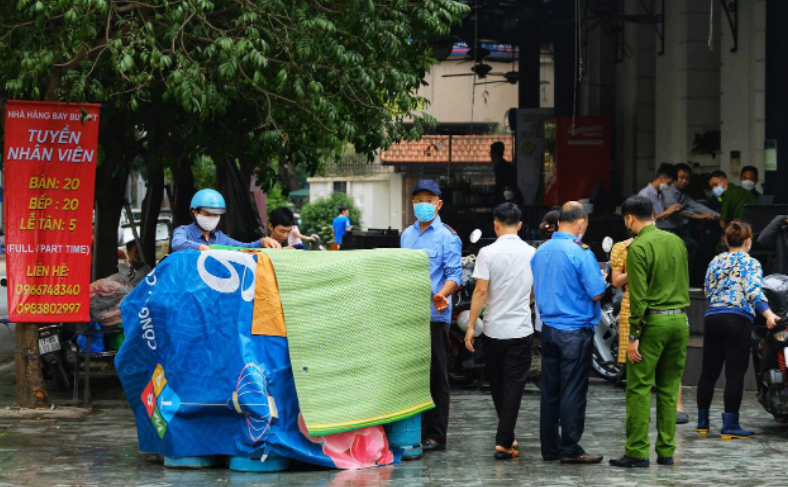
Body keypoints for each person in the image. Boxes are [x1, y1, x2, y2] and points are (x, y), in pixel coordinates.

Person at [610, 195, 689, 468]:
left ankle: (637, 452)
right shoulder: (677, 242)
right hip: (680, 322)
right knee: (669, 389)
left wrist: (634, 336)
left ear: (630, 218)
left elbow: (639, 298)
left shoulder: (638, 247)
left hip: (653, 324)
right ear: (654, 213)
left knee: (640, 388)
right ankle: (666, 451)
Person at [531, 202, 606, 464]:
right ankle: (570, 448)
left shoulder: (541, 251)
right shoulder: (580, 252)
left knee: (550, 391)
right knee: (573, 390)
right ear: (581, 222)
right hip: (574, 331)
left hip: (549, 330)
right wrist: (603, 278)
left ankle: (550, 448)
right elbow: (597, 291)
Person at [463, 202, 536, 460]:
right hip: (520, 328)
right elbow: (533, 292)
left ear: (495, 224)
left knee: (497, 385)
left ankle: (505, 439)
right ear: (519, 225)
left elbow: (481, 291)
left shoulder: (487, 253)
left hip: (493, 329)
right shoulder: (531, 252)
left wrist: (471, 326)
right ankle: (506, 438)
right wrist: (523, 304)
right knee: (514, 386)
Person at [697, 221, 779, 439]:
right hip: (738, 320)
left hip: (713, 317)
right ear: (748, 241)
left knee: (708, 372)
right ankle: (730, 425)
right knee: (734, 373)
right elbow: (754, 291)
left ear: (726, 240)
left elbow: (707, 289)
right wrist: (769, 314)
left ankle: (703, 423)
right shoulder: (751, 263)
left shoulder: (715, 261)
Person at [400, 179, 462, 453]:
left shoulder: (448, 236)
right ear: (413, 203)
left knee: (436, 376)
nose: (422, 204)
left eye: (428, 199)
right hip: (409, 316)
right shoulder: (406, 235)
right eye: (418, 200)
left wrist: (443, 294)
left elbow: (454, 276)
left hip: (435, 317)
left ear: (438, 204)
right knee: (412, 375)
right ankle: (414, 430)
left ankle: (436, 435)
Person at [171, 189, 281, 251]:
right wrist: (200, 247)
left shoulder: (220, 237)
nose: (212, 218)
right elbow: (177, 243)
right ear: (195, 212)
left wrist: (262, 242)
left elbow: (243, 248)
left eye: (216, 215)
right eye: (208, 214)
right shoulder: (183, 231)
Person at [610, 237, 634, 366]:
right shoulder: (622, 247)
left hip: (656, 309)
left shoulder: (666, 242)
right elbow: (616, 281)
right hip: (632, 307)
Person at [637, 163, 684, 227]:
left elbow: (660, 215)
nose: (669, 186)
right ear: (662, 178)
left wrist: (672, 210)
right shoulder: (645, 195)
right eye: (669, 183)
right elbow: (650, 219)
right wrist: (667, 211)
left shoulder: (660, 193)